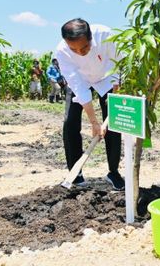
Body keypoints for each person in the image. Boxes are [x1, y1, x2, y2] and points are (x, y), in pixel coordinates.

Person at [55, 18, 124, 190]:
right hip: (81, 80)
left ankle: (113, 172)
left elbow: (120, 63)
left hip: (108, 77)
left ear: (91, 37)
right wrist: (94, 123)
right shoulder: (62, 52)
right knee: (70, 122)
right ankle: (75, 173)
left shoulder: (106, 35)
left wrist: (116, 91)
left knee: (113, 124)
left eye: (84, 47)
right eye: (74, 49)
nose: (80, 52)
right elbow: (78, 87)